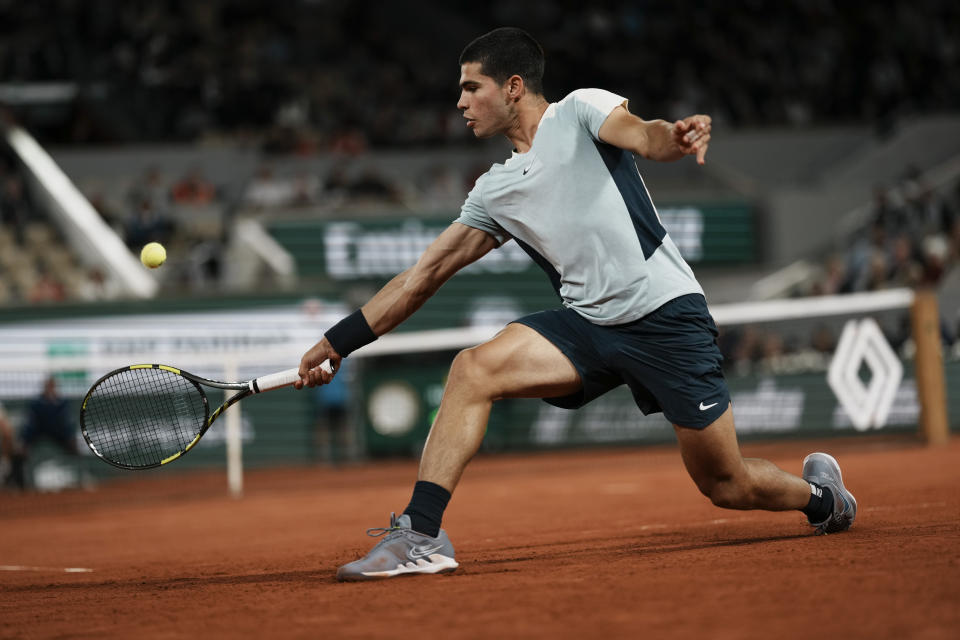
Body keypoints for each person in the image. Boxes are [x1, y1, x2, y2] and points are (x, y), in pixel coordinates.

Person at [296, 28, 857, 582]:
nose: (460, 102)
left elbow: (646, 136)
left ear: (513, 87)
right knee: (473, 369)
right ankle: (421, 535)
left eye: (472, 88)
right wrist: (337, 341)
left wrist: (677, 137)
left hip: (665, 317)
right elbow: (421, 278)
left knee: (725, 485)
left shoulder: (580, 111)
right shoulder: (493, 189)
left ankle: (821, 499)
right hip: (588, 326)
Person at [3, 376, 79, 490]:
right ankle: (17, 484)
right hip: (38, 432)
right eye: (47, 386)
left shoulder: (62, 402)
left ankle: (83, 478)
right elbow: (31, 424)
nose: (49, 388)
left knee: (75, 450)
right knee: (19, 453)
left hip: (58, 433)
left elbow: (66, 423)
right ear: (44, 387)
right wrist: (25, 442)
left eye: (52, 386)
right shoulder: (36, 403)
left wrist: (70, 438)